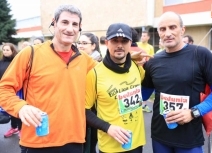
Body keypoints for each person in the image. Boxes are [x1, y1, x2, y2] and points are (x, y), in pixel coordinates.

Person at [0, 4, 97, 153]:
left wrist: (135, 61)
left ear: (79, 28)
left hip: (74, 141)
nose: (70, 29)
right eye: (64, 22)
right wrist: (20, 107)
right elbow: (4, 88)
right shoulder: (30, 54)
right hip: (37, 141)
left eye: (74, 24)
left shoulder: (85, 60)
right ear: (54, 23)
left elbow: (108, 74)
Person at [141, 11, 212, 153]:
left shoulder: (201, 54)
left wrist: (193, 112)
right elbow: (143, 95)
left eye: (172, 27)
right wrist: (130, 67)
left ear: (182, 30)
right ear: (159, 33)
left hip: (189, 138)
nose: (168, 33)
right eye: (163, 29)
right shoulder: (154, 61)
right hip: (160, 135)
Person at [85, 23, 146, 153]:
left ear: (130, 43)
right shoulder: (94, 74)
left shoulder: (137, 67)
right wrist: (108, 127)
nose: (119, 45)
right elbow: (84, 110)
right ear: (107, 43)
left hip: (136, 142)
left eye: (124, 41)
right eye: (114, 41)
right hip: (110, 146)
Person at [0, 43, 22, 139]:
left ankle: (21, 129)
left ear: (12, 51)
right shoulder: (1, 62)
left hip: (17, 90)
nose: (5, 52)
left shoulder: (17, 61)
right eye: (4, 50)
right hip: (4, 89)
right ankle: (13, 127)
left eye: (7, 50)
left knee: (18, 110)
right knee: (9, 110)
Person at [137, 30, 154, 113]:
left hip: (146, 69)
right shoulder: (137, 44)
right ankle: (137, 105)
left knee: (145, 88)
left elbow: (151, 59)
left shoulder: (150, 47)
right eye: (142, 35)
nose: (142, 37)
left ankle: (143, 105)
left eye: (144, 36)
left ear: (148, 37)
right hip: (137, 68)